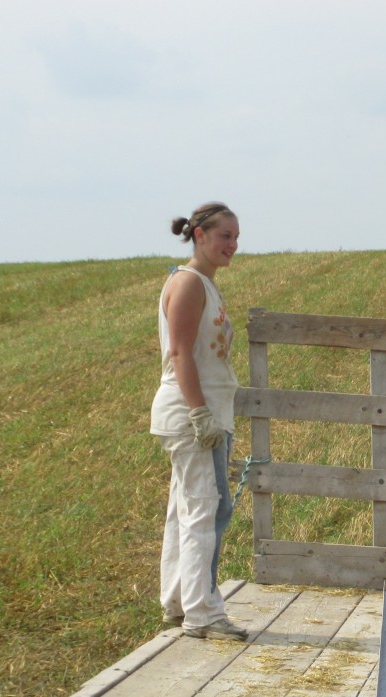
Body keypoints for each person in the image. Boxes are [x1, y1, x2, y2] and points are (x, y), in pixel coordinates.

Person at [149, 202, 248, 641]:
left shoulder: (203, 283)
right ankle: (203, 612)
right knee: (205, 509)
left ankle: (177, 602)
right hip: (192, 414)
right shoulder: (189, 284)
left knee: (187, 508)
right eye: (225, 235)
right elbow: (180, 354)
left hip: (203, 412)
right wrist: (199, 413)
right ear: (200, 235)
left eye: (236, 237)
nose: (233, 244)